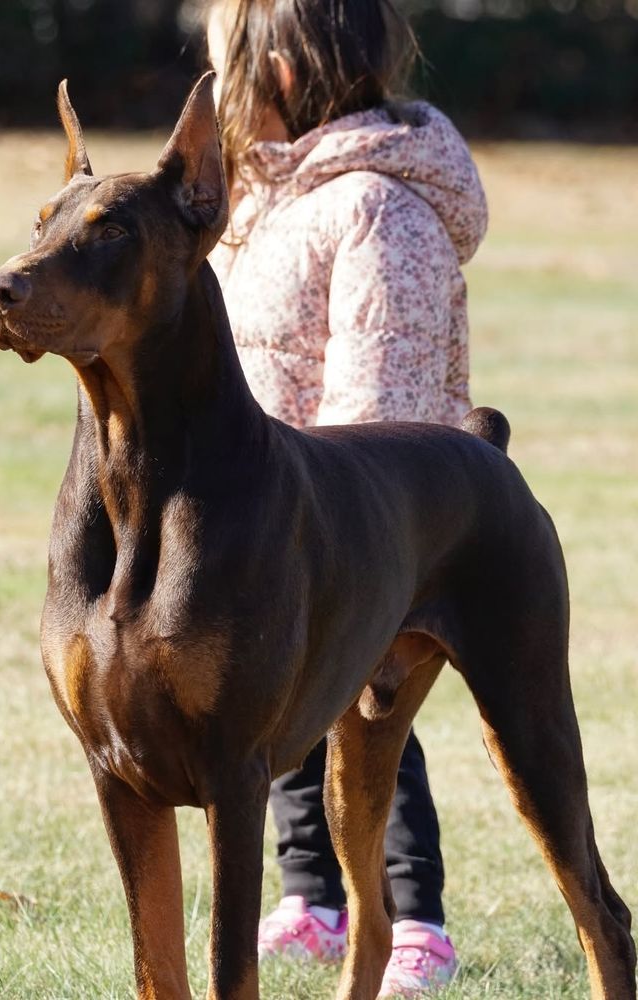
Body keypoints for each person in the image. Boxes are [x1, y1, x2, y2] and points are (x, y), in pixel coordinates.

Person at [205, 0, 488, 994]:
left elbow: (384, 386)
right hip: (267, 517)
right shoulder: (269, 201)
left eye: (229, 74)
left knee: (372, 727)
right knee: (273, 716)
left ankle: (414, 921)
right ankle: (309, 898)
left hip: (352, 523)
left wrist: (346, 528)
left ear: (277, 74)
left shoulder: (376, 204)